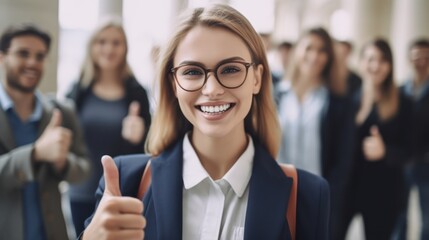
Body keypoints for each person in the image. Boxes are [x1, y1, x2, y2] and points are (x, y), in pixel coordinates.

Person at [81, 4, 330, 240]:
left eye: (231, 69)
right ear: (173, 84)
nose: (212, 89)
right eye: (192, 71)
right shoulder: (126, 182)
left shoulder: (307, 195)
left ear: (256, 78)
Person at [0, 24, 90, 239]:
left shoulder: (62, 111)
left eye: (40, 56)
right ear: (2, 57)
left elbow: (83, 168)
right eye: (23, 53)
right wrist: (36, 154)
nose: (32, 62)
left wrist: (62, 162)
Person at [66, 18, 152, 236]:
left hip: (122, 190)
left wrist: (139, 136)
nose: (109, 48)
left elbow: (151, 146)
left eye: (116, 42)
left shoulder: (137, 92)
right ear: (92, 47)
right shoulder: (78, 91)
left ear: (125, 48)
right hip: (81, 190)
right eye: (102, 41)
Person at [276, 27, 354, 240]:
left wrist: (330, 194)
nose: (315, 56)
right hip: (277, 190)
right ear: (297, 51)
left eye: (322, 51)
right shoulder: (277, 94)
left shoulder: (338, 102)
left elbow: (344, 159)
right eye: (309, 48)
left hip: (317, 194)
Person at [339, 39, 411, 240]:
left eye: (382, 60)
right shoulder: (350, 99)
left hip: (384, 192)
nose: (376, 66)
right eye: (370, 59)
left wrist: (385, 151)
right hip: (349, 188)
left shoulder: (403, 103)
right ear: (361, 62)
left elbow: (410, 150)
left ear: (390, 65)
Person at [396, 38, 429, 240]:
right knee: (400, 213)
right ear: (409, 59)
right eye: (417, 57)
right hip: (403, 162)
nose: (422, 61)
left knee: (428, 217)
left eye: (427, 57)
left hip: (427, 162)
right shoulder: (399, 92)